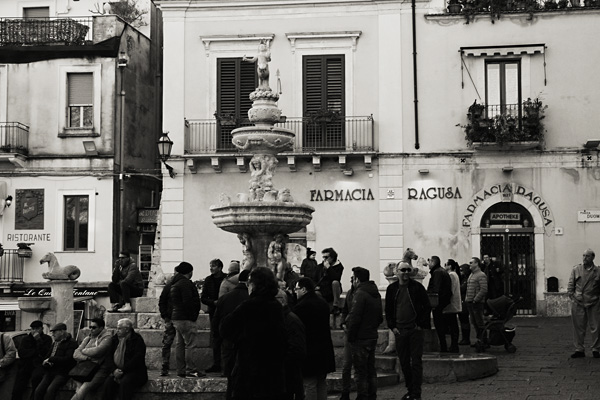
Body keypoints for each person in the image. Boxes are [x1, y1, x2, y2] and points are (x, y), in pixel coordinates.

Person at [220, 267, 286, 400]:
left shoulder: (248, 306)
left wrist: (240, 338)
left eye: (250, 282)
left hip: (249, 369)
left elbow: (224, 328)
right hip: (272, 370)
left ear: (255, 285)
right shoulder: (276, 307)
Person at [385, 262, 431, 400]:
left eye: (407, 270)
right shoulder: (392, 289)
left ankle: (416, 393)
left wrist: (420, 324)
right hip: (400, 330)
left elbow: (426, 306)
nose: (405, 272)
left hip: (414, 330)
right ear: (397, 272)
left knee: (416, 362)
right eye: (402, 270)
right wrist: (392, 327)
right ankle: (410, 389)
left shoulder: (417, 287)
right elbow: (388, 309)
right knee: (404, 362)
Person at [344, 267, 383, 400]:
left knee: (360, 371)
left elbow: (355, 316)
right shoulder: (375, 293)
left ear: (357, 279)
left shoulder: (360, 294)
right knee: (370, 369)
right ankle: (372, 395)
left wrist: (350, 335)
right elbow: (379, 317)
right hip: (371, 335)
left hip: (360, 337)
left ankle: (362, 396)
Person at [293, 277, 335, 400]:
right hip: (324, 349)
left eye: (297, 289)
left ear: (304, 289)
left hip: (309, 351)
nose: (295, 292)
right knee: (321, 382)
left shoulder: (301, 307)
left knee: (309, 384)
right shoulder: (322, 303)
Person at [213, 269, 251, 400]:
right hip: (247, 342)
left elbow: (216, 320)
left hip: (228, 340)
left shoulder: (225, 297)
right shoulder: (251, 299)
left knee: (230, 375)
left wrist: (218, 337)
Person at [170, 262, 204, 378]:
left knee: (179, 344)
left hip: (176, 317)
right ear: (189, 272)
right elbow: (188, 302)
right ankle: (191, 370)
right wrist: (193, 315)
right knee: (190, 345)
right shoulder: (185, 284)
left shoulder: (174, 283)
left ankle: (181, 369)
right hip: (186, 318)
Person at [101, 318, 148, 400]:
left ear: (127, 329)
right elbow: (108, 356)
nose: (117, 330)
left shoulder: (137, 340)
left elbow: (137, 359)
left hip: (134, 372)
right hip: (116, 371)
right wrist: (114, 370)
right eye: (117, 328)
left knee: (125, 383)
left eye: (119, 328)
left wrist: (122, 370)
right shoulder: (115, 339)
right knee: (108, 383)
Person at [567, 248, 600, 358]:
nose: (584, 258)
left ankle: (596, 349)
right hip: (578, 302)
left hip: (594, 302)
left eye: (587, 256)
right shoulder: (576, 269)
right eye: (583, 256)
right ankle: (579, 349)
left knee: (596, 327)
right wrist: (572, 297)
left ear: (593, 257)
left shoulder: (598, 271)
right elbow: (571, 285)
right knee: (578, 327)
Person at [275, 289, 306, 400]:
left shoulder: (290, 320)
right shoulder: (283, 319)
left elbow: (296, 349)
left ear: (281, 301)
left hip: (287, 375)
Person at [71, 318, 113, 400]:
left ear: (101, 328)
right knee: (80, 388)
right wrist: (87, 358)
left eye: (94, 327)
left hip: (100, 369)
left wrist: (83, 350)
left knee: (84, 388)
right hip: (85, 368)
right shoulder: (88, 338)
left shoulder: (107, 337)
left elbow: (97, 351)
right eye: (90, 327)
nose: (91, 329)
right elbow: (75, 354)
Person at [34, 323, 78, 400]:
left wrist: (51, 359)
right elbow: (47, 356)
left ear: (61, 332)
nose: (52, 334)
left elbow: (68, 359)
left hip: (62, 372)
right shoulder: (55, 343)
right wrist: (46, 362)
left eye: (54, 332)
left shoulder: (72, 343)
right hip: (50, 371)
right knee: (38, 391)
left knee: (50, 390)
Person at [12, 320, 52, 400]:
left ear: (41, 329)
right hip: (26, 364)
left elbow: (45, 352)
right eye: (33, 328)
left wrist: (38, 340)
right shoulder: (25, 339)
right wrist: (35, 352)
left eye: (37, 328)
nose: (35, 331)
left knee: (36, 380)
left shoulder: (47, 339)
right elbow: (22, 353)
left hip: (38, 365)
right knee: (18, 385)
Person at [201, 258, 226, 374]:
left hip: (225, 312)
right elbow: (204, 298)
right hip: (214, 312)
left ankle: (225, 364)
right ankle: (216, 364)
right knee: (216, 338)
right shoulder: (208, 280)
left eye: (214, 266)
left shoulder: (226, 279)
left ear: (220, 268)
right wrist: (213, 303)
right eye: (210, 266)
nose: (211, 268)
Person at [426, 256, 452, 352]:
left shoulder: (437, 272)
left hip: (438, 303)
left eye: (429, 262)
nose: (428, 264)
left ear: (433, 262)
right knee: (441, 324)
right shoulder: (440, 271)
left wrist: (432, 301)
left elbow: (436, 289)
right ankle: (443, 345)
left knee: (439, 324)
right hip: (443, 302)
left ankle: (443, 346)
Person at [338, 276, 356, 400]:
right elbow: (345, 310)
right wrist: (343, 322)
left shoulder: (363, 294)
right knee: (346, 365)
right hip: (349, 331)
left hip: (359, 333)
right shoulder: (350, 293)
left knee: (360, 366)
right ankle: (345, 392)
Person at [465, 257, 488, 345]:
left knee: (479, 322)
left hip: (476, 303)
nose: (469, 264)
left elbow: (483, 289)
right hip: (470, 302)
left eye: (471, 262)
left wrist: (475, 299)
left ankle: (483, 340)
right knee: (474, 322)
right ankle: (480, 339)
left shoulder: (481, 275)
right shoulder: (472, 275)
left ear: (476, 264)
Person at [316, 248, 344, 317]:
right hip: (323, 290)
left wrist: (329, 268)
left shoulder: (339, 266)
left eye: (326, 257)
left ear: (332, 257)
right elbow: (316, 278)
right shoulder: (320, 266)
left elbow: (336, 278)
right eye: (323, 257)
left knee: (335, 282)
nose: (324, 259)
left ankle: (335, 306)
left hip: (333, 290)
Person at [158, 273, 177, 376]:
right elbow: (162, 302)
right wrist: (165, 316)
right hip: (171, 318)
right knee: (167, 343)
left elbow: (162, 302)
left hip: (172, 318)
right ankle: (165, 366)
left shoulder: (169, 287)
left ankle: (166, 366)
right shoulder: (168, 287)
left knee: (167, 343)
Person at [443, 259, 462, 353]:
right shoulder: (454, 275)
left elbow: (451, 289)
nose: (444, 266)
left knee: (453, 324)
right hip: (452, 303)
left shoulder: (451, 275)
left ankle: (454, 345)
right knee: (453, 324)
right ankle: (454, 345)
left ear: (449, 266)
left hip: (451, 304)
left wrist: (445, 300)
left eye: (445, 265)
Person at [458, 263, 472, 345]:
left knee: (464, 320)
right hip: (462, 301)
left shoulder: (467, 280)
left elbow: (462, 289)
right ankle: (464, 337)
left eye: (462, 271)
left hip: (465, 302)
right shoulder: (463, 279)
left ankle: (466, 338)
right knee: (463, 320)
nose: (461, 272)